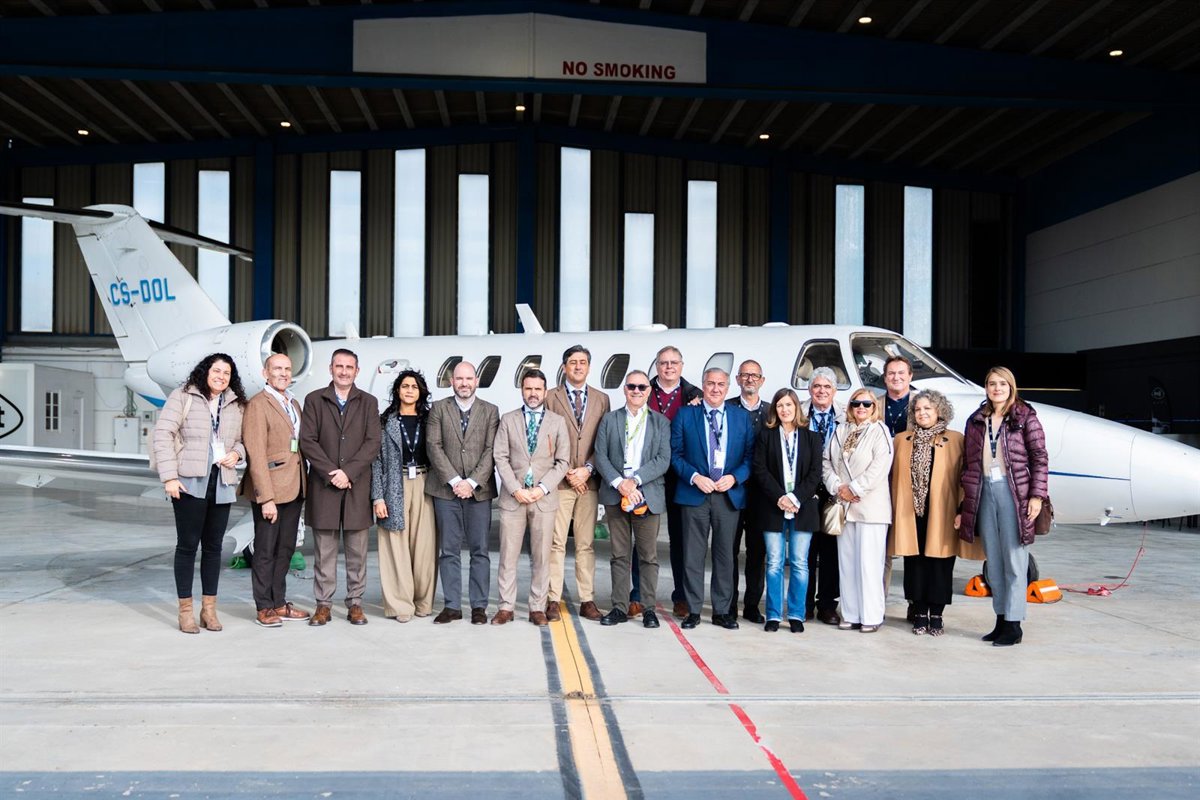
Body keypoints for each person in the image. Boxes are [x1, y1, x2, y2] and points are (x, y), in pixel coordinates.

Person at [152, 352, 247, 634]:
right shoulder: (183, 396)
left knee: (214, 548)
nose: (221, 377)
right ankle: (185, 612)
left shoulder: (236, 404)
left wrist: (236, 453)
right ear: (205, 371)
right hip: (189, 482)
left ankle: (209, 610)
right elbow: (163, 434)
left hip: (222, 482)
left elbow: (243, 440)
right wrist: (170, 477)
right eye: (216, 371)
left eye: (227, 373)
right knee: (187, 547)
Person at [959, 367, 1049, 647]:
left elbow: (1040, 458)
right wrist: (964, 504)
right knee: (994, 560)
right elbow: (968, 465)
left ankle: (1014, 623)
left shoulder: (1025, 417)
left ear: (1011, 386)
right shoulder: (976, 420)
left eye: (1002, 383)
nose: (997, 388)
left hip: (1014, 493)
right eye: (991, 383)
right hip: (984, 490)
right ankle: (1000, 618)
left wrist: (1037, 496)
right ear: (986, 388)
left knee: (1014, 558)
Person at [300, 349, 381, 627]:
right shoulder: (314, 400)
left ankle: (355, 603)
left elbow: (373, 442)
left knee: (358, 552)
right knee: (324, 552)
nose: (344, 371)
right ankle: (323, 605)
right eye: (339, 366)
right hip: (325, 486)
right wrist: (331, 473)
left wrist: (348, 473)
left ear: (357, 371)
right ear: (331, 369)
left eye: (349, 367)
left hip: (356, 486)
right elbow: (308, 441)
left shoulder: (368, 402)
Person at [889, 390, 981, 636]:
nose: (922, 413)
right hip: (911, 512)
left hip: (943, 511)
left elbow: (966, 478)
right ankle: (919, 612)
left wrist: (963, 509)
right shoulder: (902, 440)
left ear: (939, 410)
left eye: (927, 408)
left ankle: (937, 614)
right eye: (918, 409)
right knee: (914, 563)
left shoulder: (956, 439)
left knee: (940, 564)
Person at [671, 368, 756, 630]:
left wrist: (735, 478)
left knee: (725, 555)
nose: (715, 389)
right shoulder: (686, 415)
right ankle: (693, 610)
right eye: (710, 384)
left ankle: (721, 611)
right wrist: (695, 477)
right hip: (695, 493)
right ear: (703, 386)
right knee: (692, 555)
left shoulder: (741, 418)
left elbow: (750, 457)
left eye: (720, 384)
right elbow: (675, 455)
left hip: (727, 495)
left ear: (728, 387)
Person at [593, 371, 671, 629]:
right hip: (616, 495)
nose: (636, 391)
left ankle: (648, 608)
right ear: (624, 389)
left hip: (647, 495)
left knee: (648, 556)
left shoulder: (661, 422)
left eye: (642, 387)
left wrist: (635, 481)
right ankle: (619, 607)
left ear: (648, 391)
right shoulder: (609, 420)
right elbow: (601, 455)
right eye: (631, 386)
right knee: (619, 555)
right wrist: (620, 483)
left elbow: (663, 460)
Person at [492, 370, 570, 626]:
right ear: (522, 391)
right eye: (528, 389)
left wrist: (542, 488)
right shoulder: (508, 419)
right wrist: (516, 489)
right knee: (508, 556)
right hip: (513, 497)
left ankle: (537, 607)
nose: (533, 393)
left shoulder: (557, 422)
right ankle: (506, 606)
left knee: (542, 557)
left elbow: (563, 461)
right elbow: (500, 456)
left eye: (538, 389)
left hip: (543, 498)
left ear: (545, 392)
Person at [425, 361, 500, 626]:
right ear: (452, 381)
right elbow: (433, 446)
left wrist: (472, 482)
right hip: (446, 491)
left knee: (480, 550)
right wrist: (456, 481)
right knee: (449, 550)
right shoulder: (438, 408)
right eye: (459, 379)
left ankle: (479, 606)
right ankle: (452, 606)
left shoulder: (490, 411)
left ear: (476, 381)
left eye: (469, 379)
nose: (464, 383)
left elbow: (491, 450)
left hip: (479, 492)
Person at [240, 353, 309, 628]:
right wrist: (265, 498)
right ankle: (264, 606)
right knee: (266, 550)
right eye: (277, 368)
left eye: (287, 369)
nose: (283, 373)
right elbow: (256, 453)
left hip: (294, 486)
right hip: (271, 490)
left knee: (285, 549)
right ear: (265, 373)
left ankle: (279, 602)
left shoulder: (293, 402)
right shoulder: (258, 404)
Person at [544, 345, 611, 622]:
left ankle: (587, 599)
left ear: (589, 367)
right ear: (564, 367)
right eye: (573, 362)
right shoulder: (550, 397)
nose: (578, 366)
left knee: (586, 544)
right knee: (556, 543)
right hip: (560, 483)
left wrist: (587, 470)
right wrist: (568, 472)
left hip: (589, 483)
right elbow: (546, 440)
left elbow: (604, 441)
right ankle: (552, 599)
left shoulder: (602, 399)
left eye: (583, 362)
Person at [752, 389, 823, 633]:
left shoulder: (812, 438)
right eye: (780, 405)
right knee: (774, 562)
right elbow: (760, 469)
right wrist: (780, 497)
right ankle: (773, 614)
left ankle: (796, 614)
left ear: (797, 408)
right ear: (775, 409)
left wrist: (794, 497)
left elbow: (815, 473)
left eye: (789, 405)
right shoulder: (765, 436)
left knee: (800, 563)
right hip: (773, 507)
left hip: (803, 507)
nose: (785, 409)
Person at [823, 388, 893, 633]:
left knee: (869, 564)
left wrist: (854, 488)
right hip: (844, 506)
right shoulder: (841, 430)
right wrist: (837, 486)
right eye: (856, 403)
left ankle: (871, 615)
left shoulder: (880, 431)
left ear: (874, 407)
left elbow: (880, 466)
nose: (861, 408)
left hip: (870, 507)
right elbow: (826, 461)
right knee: (848, 563)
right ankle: (851, 613)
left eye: (866, 404)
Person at [372, 369, 438, 623]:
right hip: (394, 483)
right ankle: (400, 604)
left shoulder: (430, 420)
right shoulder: (384, 422)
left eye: (414, 387)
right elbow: (376, 462)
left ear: (421, 392)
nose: (409, 390)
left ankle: (423, 601)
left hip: (424, 482)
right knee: (395, 544)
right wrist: (378, 497)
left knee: (425, 545)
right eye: (405, 386)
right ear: (397, 390)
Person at [647, 345, 702, 619]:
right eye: (664, 363)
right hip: (649, 474)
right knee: (644, 538)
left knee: (681, 539)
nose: (669, 367)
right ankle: (639, 595)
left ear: (681, 366)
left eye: (673, 362)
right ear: (657, 366)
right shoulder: (643, 391)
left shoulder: (694, 396)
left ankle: (681, 596)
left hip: (680, 475)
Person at [727, 359, 768, 624]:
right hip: (732, 491)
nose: (749, 379)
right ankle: (728, 603)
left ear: (762, 380)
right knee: (728, 551)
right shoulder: (726, 408)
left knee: (757, 553)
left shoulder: (772, 412)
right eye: (744, 375)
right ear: (738, 380)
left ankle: (752, 604)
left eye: (754, 375)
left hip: (761, 496)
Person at [803, 367, 844, 625]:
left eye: (827, 387)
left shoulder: (844, 416)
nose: (821, 391)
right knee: (805, 551)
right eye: (817, 386)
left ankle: (827, 605)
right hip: (805, 491)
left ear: (834, 391)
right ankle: (804, 603)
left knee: (831, 552)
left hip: (832, 491)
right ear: (810, 389)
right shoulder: (799, 413)